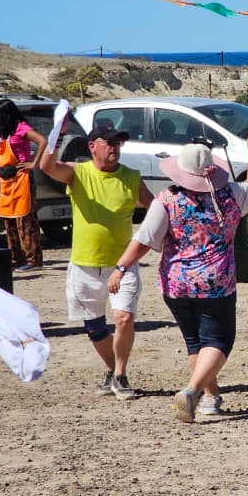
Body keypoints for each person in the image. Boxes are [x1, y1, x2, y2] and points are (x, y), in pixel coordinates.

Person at [108, 134, 248, 421]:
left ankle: (210, 398)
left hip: (176, 283)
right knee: (218, 341)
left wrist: (121, 267)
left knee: (195, 341)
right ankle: (192, 390)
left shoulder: (168, 199)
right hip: (216, 283)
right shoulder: (230, 195)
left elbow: (144, 239)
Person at [40, 123, 153, 400]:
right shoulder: (78, 173)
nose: (115, 147)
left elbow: (156, 207)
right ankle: (111, 370)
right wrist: (57, 133)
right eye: (109, 142)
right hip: (84, 263)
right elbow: (46, 167)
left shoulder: (132, 177)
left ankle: (120, 375)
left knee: (124, 317)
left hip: (122, 264)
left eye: (119, 142)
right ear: (92, 146)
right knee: (94, 327)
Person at [0, 99, 48, 271]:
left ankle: (33, 260)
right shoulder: (4, 132)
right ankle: (16, 258)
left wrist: (33, 163)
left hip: (22, 178)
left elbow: (42, 141)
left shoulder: (21, 128)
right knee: (9, 220)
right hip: (6, 180)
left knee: (26, 220)